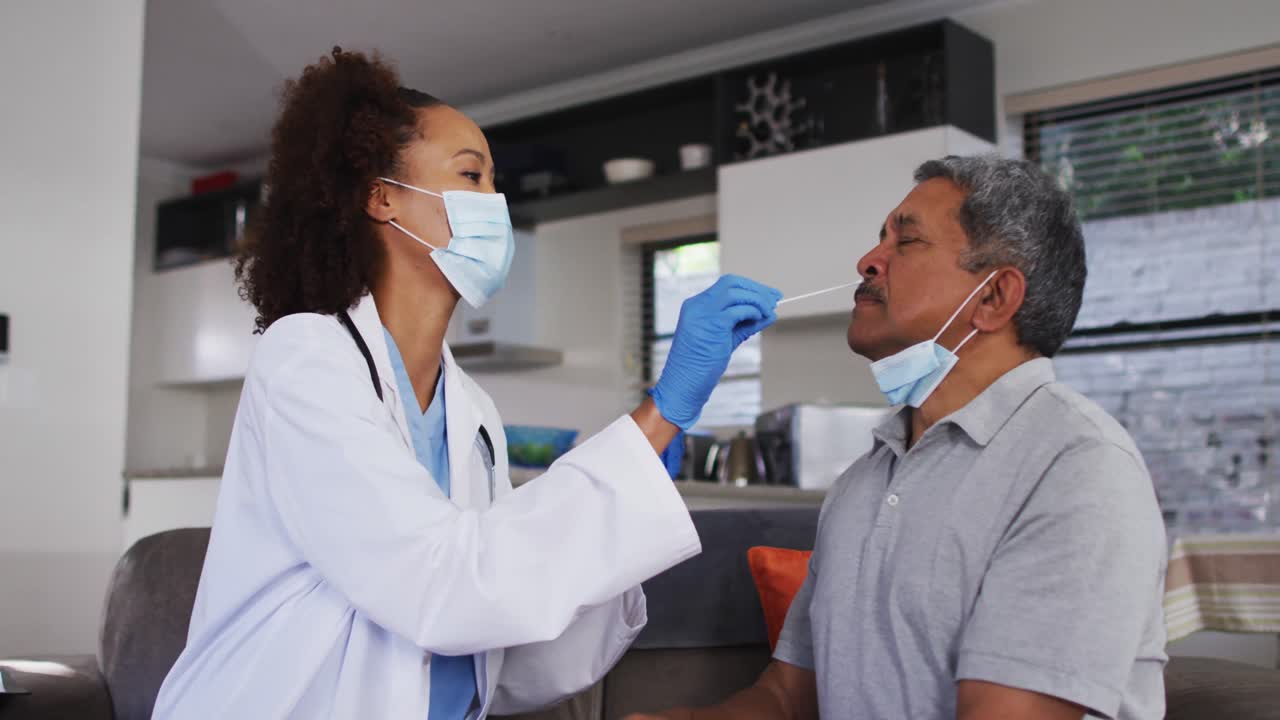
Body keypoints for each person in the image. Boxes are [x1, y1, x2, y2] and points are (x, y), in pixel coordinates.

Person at [151, 48, 782, 719]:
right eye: (471, 176)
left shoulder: (471, 413)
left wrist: (619, 512)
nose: (495, 204)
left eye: (493, 182)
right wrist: (659, 415)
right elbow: (439, 584)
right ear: (382, 197)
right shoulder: (307, 360)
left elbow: (500, 647)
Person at [630, 156, 1167, 720]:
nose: (867, 261)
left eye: (905, 242)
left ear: (992, 298)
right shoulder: (863, 482)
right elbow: (788, 697)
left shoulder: (1076, 469)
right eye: (878, 239)